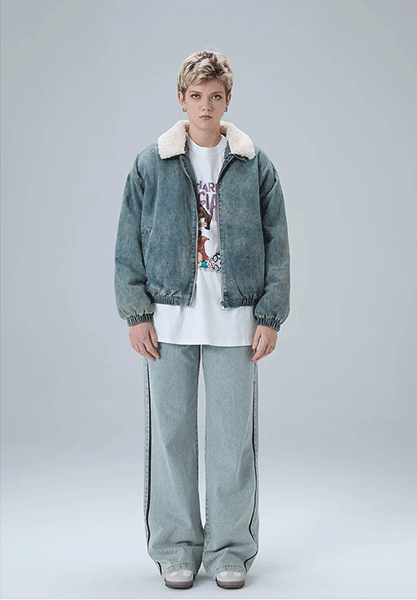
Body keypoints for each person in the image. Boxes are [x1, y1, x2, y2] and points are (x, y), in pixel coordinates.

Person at [114, 50, 290, 590]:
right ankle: (176, 547)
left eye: (215, 96)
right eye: (196, 96)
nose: (205, 106)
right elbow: (127, 243)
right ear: (181, 99)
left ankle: (230, 548)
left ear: (228, 100)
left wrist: (270, 315)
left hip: (236, 321)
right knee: (171, 438)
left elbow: (277, 243)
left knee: (232, 442)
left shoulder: (254, 164)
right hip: (168, 321)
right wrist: (136, 313)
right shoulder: (152, 163)